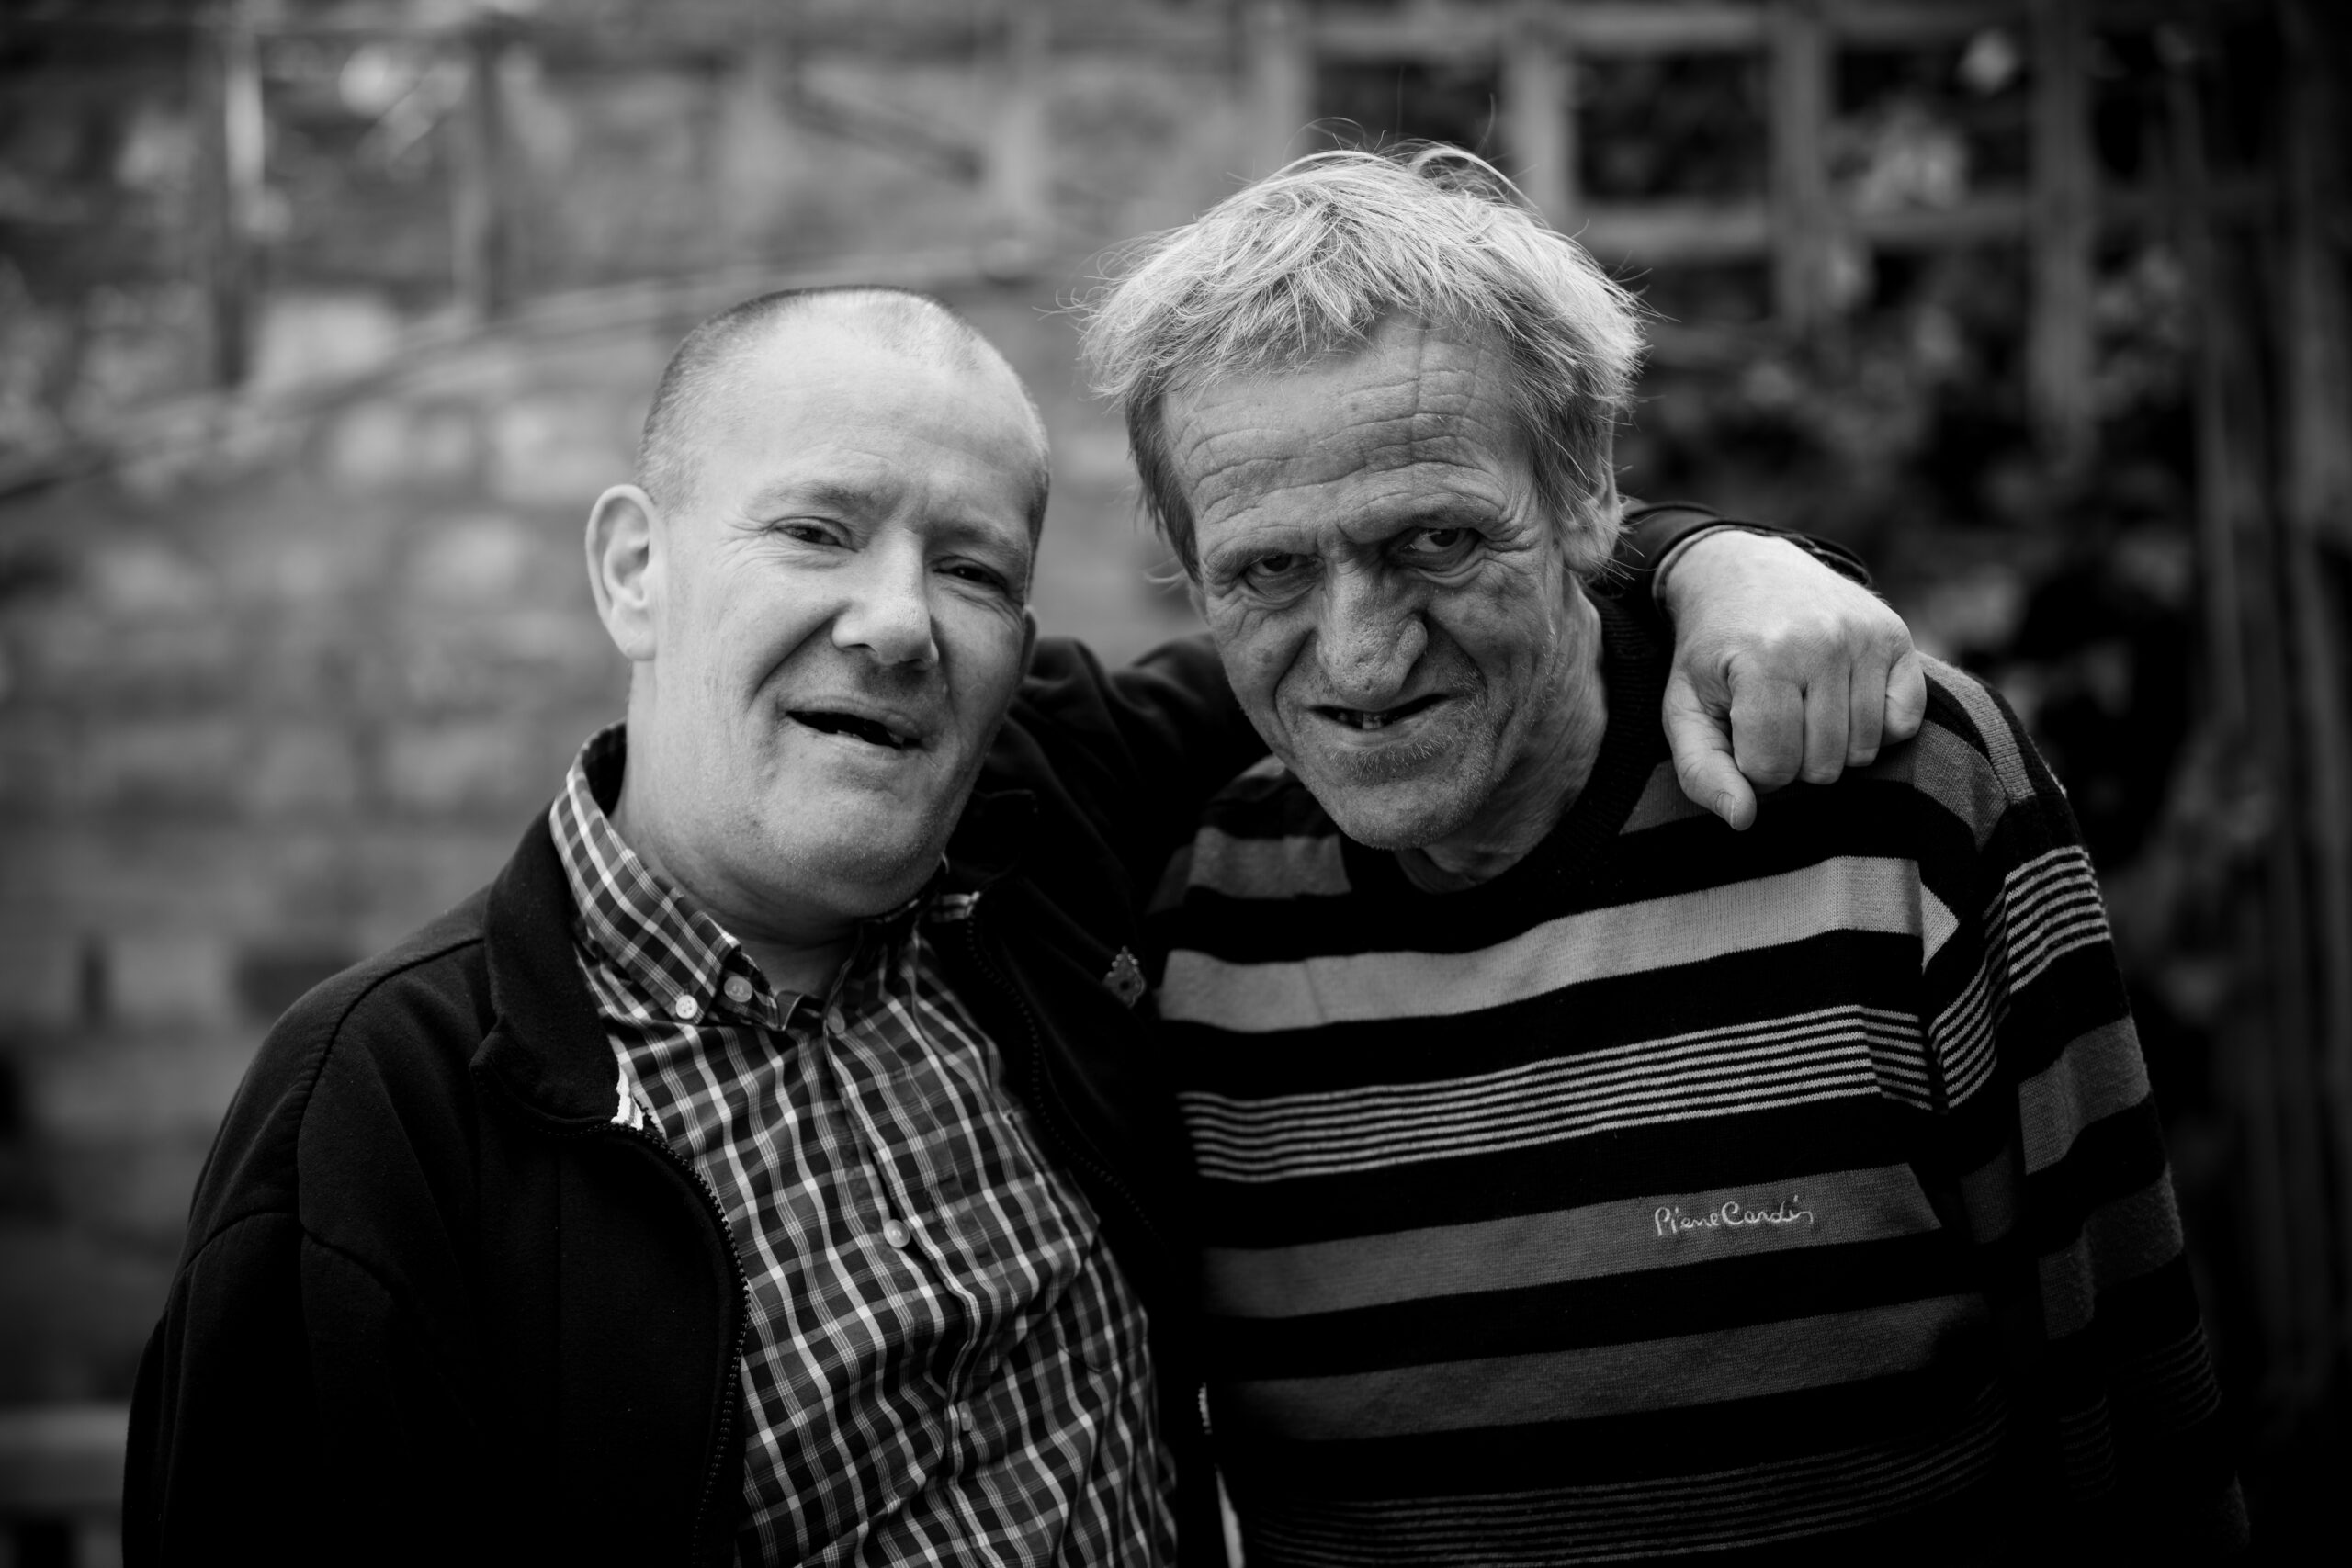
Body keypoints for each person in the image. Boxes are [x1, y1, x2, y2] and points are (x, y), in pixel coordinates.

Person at [125, 285, 1917, 1565]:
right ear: (632, 567)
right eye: (818, 529)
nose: (895, 624)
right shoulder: (389, 1115)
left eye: (971, 565)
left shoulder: (1036, 833)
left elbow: (1376, 641)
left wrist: (1699, 565)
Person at [1096, 149, 2247, 1562]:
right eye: (1268, 569)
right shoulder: (1198, 929)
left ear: (1590, 500)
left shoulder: (1897, 812)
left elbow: (2139, 1427)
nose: (1359, 653)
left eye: (1440, 541)